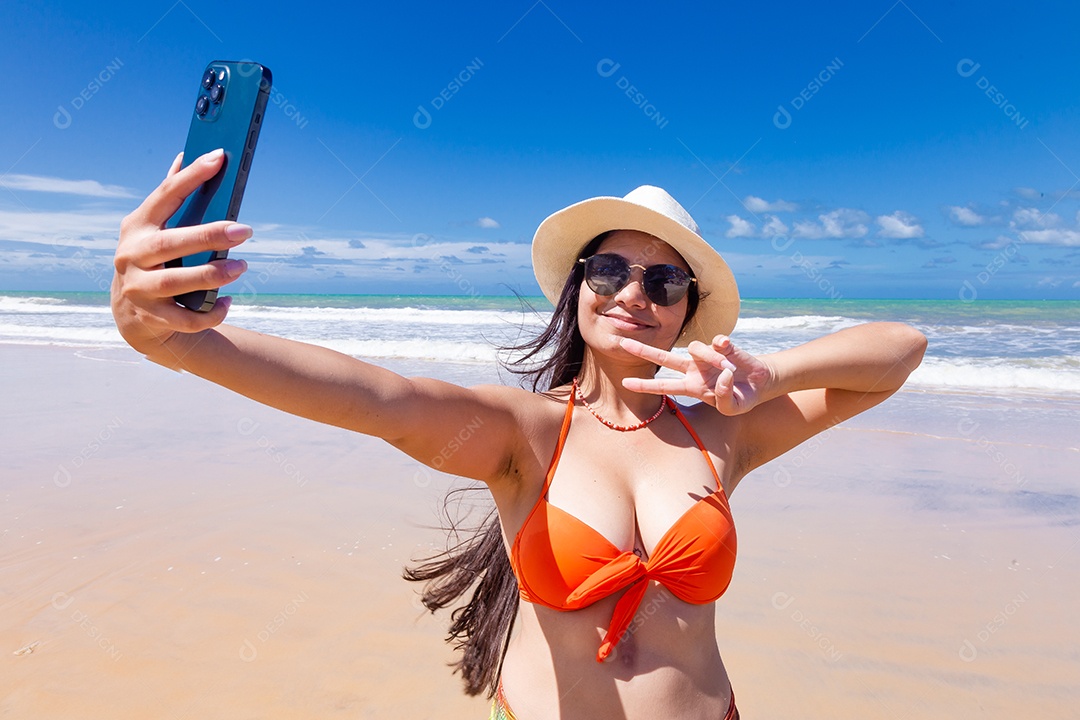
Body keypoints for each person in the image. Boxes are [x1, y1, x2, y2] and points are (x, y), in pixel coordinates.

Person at [112, 149, 927, 720]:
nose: (633, 293)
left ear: (684, 311)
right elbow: (379, 400)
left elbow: (900, 352)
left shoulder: (723, 435)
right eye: (608, 271)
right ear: (577, 290)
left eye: (664, 279)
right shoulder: (520, 436)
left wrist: (770, 377)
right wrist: (185, 344)